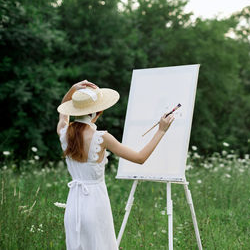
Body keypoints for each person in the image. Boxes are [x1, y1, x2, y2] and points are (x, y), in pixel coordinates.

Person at [57, 80, 174, 250]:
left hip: (73, 206)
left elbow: (62, 112)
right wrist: (161, 131)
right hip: (96, 205)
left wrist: (74, 88)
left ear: (74, 109)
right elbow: (140, 158)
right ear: (98, 112)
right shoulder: (101, 137)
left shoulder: (64, 132)